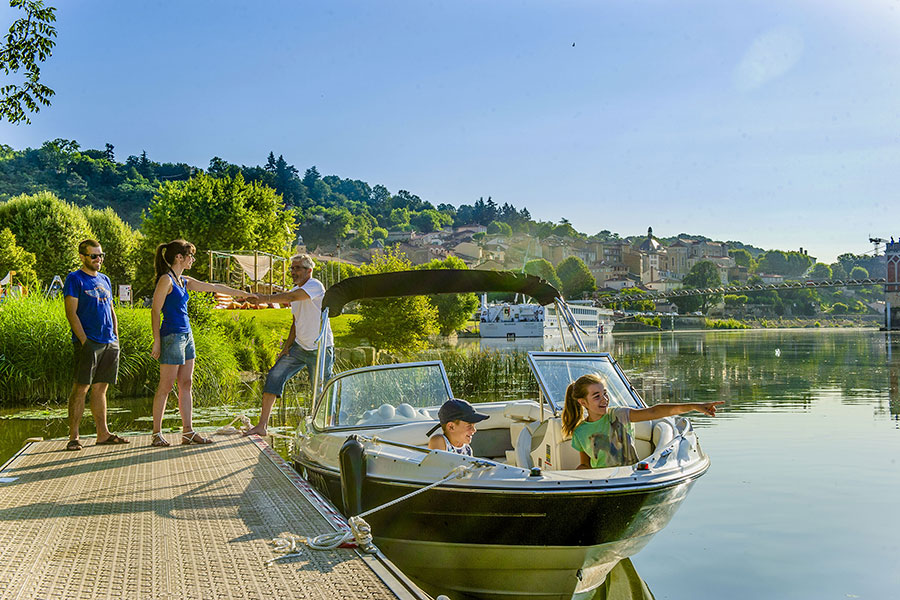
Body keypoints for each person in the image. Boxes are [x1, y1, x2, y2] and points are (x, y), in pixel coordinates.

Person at [149, 240, 254, 447]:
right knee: (166, 386)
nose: (193, 259)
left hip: (187, 336)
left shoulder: (184, 281)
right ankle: (156, 434)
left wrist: (243, 294)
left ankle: (188, 432)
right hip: (171, 336)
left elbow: (213, 287)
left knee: (186, 383)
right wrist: (157, 341)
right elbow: (155, 310)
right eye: (190, 255)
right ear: (179, 257)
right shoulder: (166, 280)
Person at [244, 254, 334, 436]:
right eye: (292, 268)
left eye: (297, 268)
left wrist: (263, 298)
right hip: (299, 348)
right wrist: (286, 347)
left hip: (320, 349)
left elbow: (292, 297)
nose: (293, 271)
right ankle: (262, 426)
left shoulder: (315, 286)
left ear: (309, 270)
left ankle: (327, 429)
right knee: (274, 376)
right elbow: (296, 322)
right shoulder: (296, 290)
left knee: (322, 389)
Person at [561, 373, 723, 469]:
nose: (604, 399)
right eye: (597, 396)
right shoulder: (579, 432)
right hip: (603, 483)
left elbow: (655, 411)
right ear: (583, 402)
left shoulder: (619, 415)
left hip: (631, 477)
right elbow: (586, 465)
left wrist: (695, 406)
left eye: (605, 393)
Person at [64, 239, 129, 450]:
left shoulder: (105, 279)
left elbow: (111, 310)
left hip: (109, 341)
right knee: (81, 388)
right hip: (89, 342)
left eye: (101, 255)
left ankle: (103, 433)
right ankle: (74, 437)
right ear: (82, 257)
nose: (98, 259)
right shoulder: (75, 279)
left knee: (101, 389)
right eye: (94, 256)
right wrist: (84, 341)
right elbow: (71, 313)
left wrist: (116, 336)